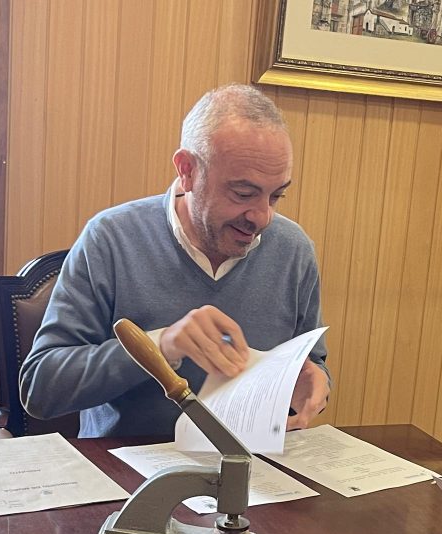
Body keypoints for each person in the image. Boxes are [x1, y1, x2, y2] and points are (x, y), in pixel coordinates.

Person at [20, 84, 329, 438]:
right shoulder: (111, 239)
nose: (262, 217)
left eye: (276, 196)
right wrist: (160, 346)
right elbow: (41, 388)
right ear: (187, 170)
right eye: (243, 193)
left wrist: (315, 383)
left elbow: (313, 363)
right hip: (125, 463)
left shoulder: (292, 250)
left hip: (253, 461)